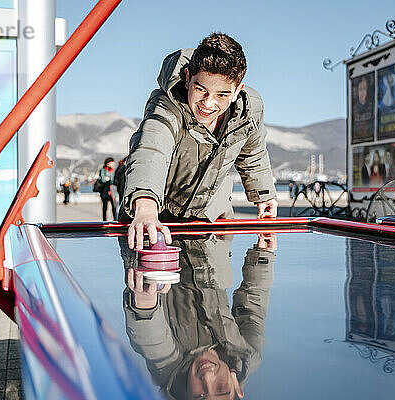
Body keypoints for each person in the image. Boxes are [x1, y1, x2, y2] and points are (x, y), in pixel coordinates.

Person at [121, 33, 278, 249]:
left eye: (222, 94)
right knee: (151, 280)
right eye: (200, 89)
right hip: (155, 225)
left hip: (212, 224)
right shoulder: (167, 106)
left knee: (214, 281)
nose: (208, 103)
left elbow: (253, 153)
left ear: (237, 91)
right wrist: (146, 209)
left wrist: (264, 196)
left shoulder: (249, 111)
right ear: (188, 78)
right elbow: (151, 150)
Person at [120, 233, 276, 399]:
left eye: (199, 395)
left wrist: (145, 304)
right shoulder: (247, 356)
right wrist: (263, 254)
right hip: (209, 227)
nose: (207, 377)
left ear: (185, 395)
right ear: (237, 387)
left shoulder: (168, 368)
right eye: (221, 387)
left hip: (151, 234)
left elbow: (151, 340)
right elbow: (252, 305)